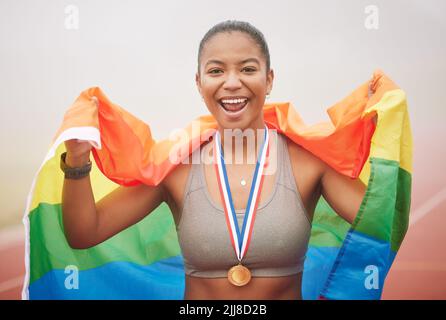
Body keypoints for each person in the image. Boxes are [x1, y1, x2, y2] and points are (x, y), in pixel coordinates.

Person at [61, 20, 367, 300]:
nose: (231, 82)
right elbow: (85, 232)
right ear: (199, 82)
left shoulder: (309, 162)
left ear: (269, 79)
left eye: (248, 69)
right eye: (216, 71)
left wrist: (383, 122)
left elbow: (385, 223)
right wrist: (76, 160)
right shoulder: (176, 166)